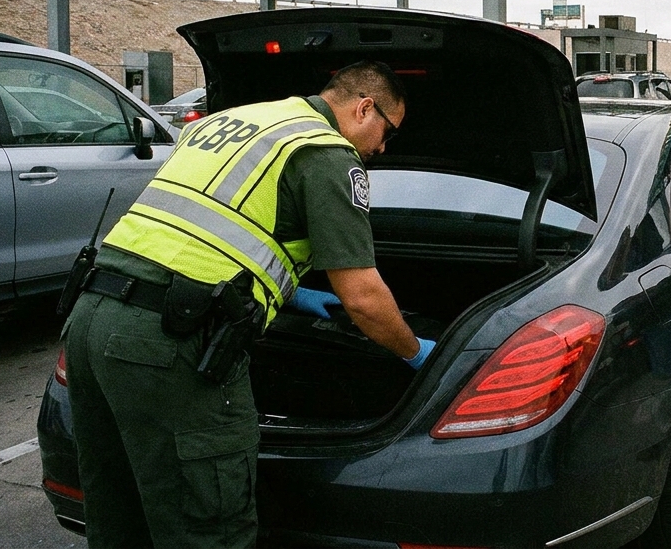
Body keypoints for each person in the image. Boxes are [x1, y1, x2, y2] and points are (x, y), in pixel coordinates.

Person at [63, 60, 432, 548]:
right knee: (209, 524)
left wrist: (292, 292)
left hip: (90, 322)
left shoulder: (233, 121)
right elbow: (363, 298)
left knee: (119, 515)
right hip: (165, 344)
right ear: (365, 108)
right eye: (388, 131)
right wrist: (414, 352)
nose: (382, 148)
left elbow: (202, 226)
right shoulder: (324, 151)